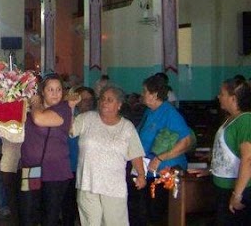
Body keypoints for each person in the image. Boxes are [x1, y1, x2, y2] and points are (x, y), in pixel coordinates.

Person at [71, 85, 146, 225]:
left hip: (114, 187)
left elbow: (135, 153)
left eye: (110, 100)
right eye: (102, 99)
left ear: (119, 105)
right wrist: (69, 107)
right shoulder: (86, 119)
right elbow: (69, 129)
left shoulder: (127, 127)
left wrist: (141, 175)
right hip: (88, 184)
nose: (104, 102)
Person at [130, 74, 193, 226]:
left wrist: (160, 158)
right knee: (148, 211)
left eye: (145, 91)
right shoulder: (149, 112)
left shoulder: (169, 113)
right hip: (149, 170)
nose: (142, 94)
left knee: (160, 214)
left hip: (165, 173)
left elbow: (186, 142)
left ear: (154, 95)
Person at [189, 77, 251, 225]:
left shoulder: (245, 121)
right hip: (222, 187)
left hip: (237, 189)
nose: (218, 97)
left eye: (222, 94)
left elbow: (247, 159)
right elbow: (228, 154)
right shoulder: (230, 119)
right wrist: (212, 170)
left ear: (233, 98)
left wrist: (237, 195)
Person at [19, 73, 73, 226]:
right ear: (42, 91)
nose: (55, 93)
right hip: (31, 169)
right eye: (50, 89)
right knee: (27, 212)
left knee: (50, 215)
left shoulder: (64, 109)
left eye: (58, 90)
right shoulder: (31, 109)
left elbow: (40, 119)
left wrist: (35, 104)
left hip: (56, 171)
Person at [63, 86, 96, 226]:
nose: (86, 102)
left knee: (87, 206)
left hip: (89, 168)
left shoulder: (96, 118)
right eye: (83, 99)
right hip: (69, 166)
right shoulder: (69, 115)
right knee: (68, 204)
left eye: (90, 99)